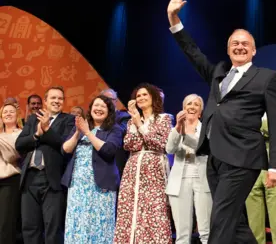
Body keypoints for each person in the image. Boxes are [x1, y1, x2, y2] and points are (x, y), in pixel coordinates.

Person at [167, 0, 276, 244]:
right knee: (237, 223)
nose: (240, 47)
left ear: (254, 51)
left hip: (243, 157)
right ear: (228, 49)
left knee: (219, 219)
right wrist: (174, 21)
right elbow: (193, 53)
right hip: (215, 157)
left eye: (245, 44)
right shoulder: (219, 73)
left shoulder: (266, 77)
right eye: (235, 43)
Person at [113, 83, 173, 244]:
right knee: (130, 210)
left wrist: (140, 125)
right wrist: (135, 121)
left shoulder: (164, 118)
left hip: (154, 171)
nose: (141, 98)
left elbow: (160, 144)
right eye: (138, 96)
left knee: (154, 211)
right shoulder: (131, 122)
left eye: (144, 94)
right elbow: (129, 145)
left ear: (153, 97)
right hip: (133, 170)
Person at [15, 86, 75, 244]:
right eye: (53, 98)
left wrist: (47, 129)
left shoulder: (68, 120)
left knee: (53, 227)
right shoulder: (33, 119)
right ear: (46, 101)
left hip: (52, 179)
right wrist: (36, 135)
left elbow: (64, 145)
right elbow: (20, 144)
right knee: (29, 226)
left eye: (60, 98)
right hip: (29, 178)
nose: (57, 101)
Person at [61, 95, 123, 243]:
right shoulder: (80, 128)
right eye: (96, 105)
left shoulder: (114, 129)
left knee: (99, 224)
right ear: (90, 109)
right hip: (78, 185)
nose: (99, 109)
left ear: (109, 111)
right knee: (78, 223)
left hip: (101, 186)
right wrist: (78, 132)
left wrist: (88, 132)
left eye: (103, 106)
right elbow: (65, 150)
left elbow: (109, 151)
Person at [246, 96, 276, 244]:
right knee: (254, 224)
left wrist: (257, 126)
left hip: (275, 171)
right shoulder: (248, 114)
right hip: (251, 170)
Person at [166, 94, 212, 244]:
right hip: (179, 182)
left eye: (196, 105)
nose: (192, 106)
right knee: (182, 232)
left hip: (202, 180)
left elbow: (202, 147)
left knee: (205, 231)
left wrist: (185, 134)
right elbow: (170, 149)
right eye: (189, 104)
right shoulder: (177, 128)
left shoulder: (207, 129)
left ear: (200, 111)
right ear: (183, 108)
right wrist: (179, 128)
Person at [0, 102, 23, 244]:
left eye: (11, 111)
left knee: (5, 223)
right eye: (5, 112)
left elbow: (12, 154)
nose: (8, 114)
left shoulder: (21, 134)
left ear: (17, 116)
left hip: (10, 181)